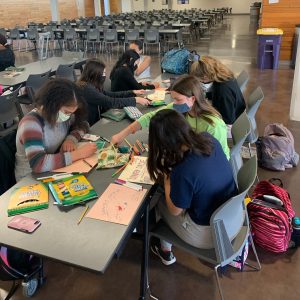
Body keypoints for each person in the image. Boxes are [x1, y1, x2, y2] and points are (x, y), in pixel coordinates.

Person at [147, 109, 238, 265]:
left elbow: (175, 211)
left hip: (209, 235)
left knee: (159, 201)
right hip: (234, 218)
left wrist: (168, 178)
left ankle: (164, 250)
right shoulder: (208, 139)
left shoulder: (182, 170)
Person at [111, 75, 230, 160]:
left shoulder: (213, 124)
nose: (174, 103)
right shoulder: (181, 108)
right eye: (173, 99)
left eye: (178, 99)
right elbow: (150, 117)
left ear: (192, 98)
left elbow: (215, 158)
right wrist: (121, 135)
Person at [15, 79, 97, 181]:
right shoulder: (31, 124)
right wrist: (79, 154)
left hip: (52, 168)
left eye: (71, 113)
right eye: (67, 112)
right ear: (52, 105)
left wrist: (71, 139)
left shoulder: (60, 115)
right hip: (29, 177)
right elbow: (38, 164)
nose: (68, 116)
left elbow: (83, 125)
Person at [77, 59, 150, 126]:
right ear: (94, 74)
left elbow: (110, 95)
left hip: (97, 122)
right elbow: (109, 101)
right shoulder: (87, 89)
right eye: (103, 73)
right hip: (90, 125)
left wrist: (132, 92)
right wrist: (135, 100)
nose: (104, 76)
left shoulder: (92, 84)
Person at [190, 55, 246, 125]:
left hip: (230, 124)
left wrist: (207, 112)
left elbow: (228, 120)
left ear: (205, 77)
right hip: (233, 113)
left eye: (200, 80)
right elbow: (217, 96)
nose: (200, 82)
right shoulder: (224, 76)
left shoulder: (223, 91)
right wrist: (204, 95)